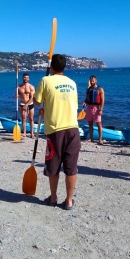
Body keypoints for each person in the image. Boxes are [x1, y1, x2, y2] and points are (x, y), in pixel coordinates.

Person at [33, 54, 80, 210]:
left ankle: (53, 199)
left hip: (55, 131)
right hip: (73, 129)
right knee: (71, 168)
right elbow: (69, 105)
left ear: (51, 67)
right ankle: (69, 201)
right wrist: (46, 111)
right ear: (64, 67)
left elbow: (37, 101)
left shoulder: (46, 80)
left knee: (53, 166)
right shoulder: (72, 83)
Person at [83, 75, 105, 145]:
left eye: (93, 80)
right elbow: (87, 99)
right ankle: (91, 138)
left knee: (98, 124)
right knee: (90, 124)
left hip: (96, 108)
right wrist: (84, 102)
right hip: (89, 108)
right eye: (91, 80)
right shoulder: (88, 90)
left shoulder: (100, 89)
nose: (92, 82)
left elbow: (102, 100)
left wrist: (101, 110)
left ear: (96, 81)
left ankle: (100, 139)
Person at [17, 73, 35, 138]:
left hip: (30, 104)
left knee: (31, 119)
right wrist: (16, 95)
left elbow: (32, 98)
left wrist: (26, 105)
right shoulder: (19, 87)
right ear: (22, 78)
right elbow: (17, 95)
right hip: (22, 104)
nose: (26, 79)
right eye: (24, 77)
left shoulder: (31, 87)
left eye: (27, 78)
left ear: (29, 79)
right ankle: (24, 133)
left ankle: (32, 133)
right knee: (24, 118)